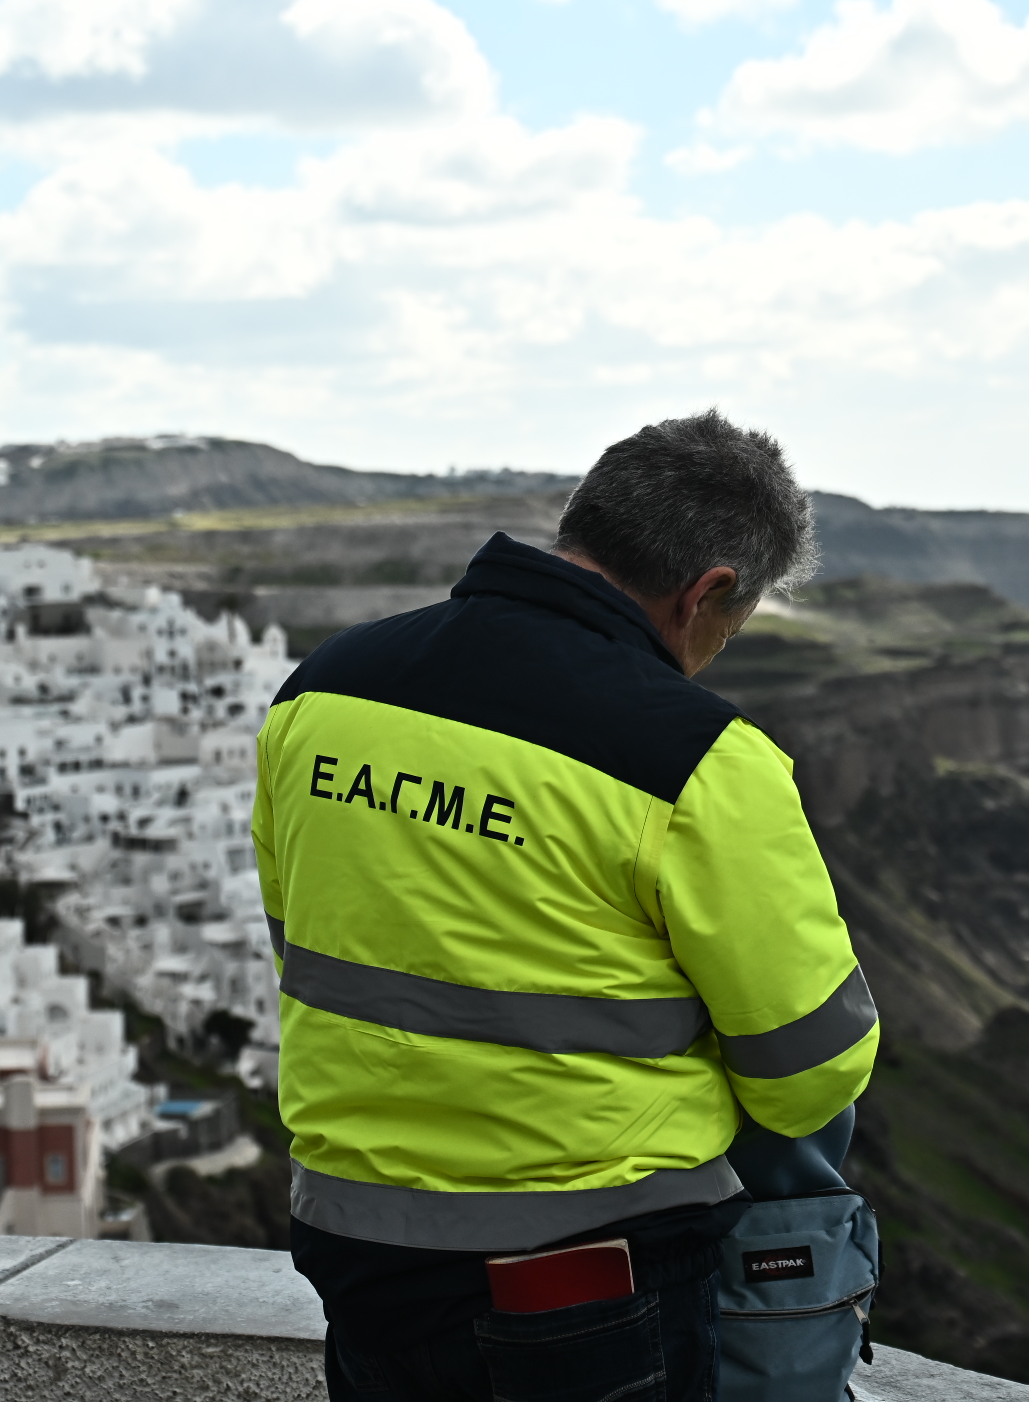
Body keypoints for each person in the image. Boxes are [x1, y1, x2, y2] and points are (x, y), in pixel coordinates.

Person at [253, 410, 878, 1402]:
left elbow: (309, 942)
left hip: (356, 1243)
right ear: (710, 590)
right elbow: (809, 1068)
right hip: (587, 1274)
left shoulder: (325, 692)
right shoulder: (697, 761)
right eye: (737, 618)